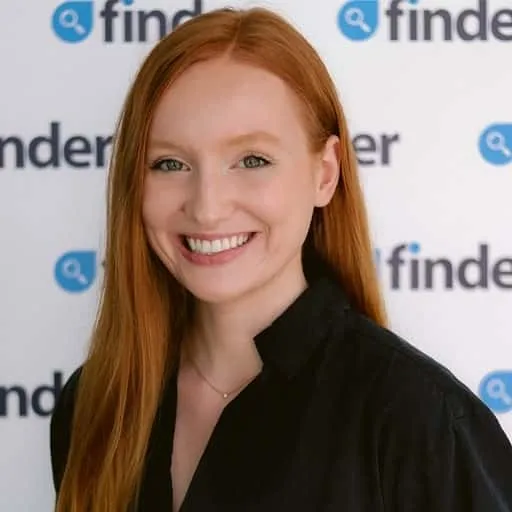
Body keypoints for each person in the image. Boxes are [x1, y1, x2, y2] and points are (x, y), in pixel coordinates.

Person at [49, 6, 512, 512]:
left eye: (252, 160)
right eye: (169, 163)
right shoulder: (93, 405)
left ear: (325, 174)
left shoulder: (420, 422)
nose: (206, 207)